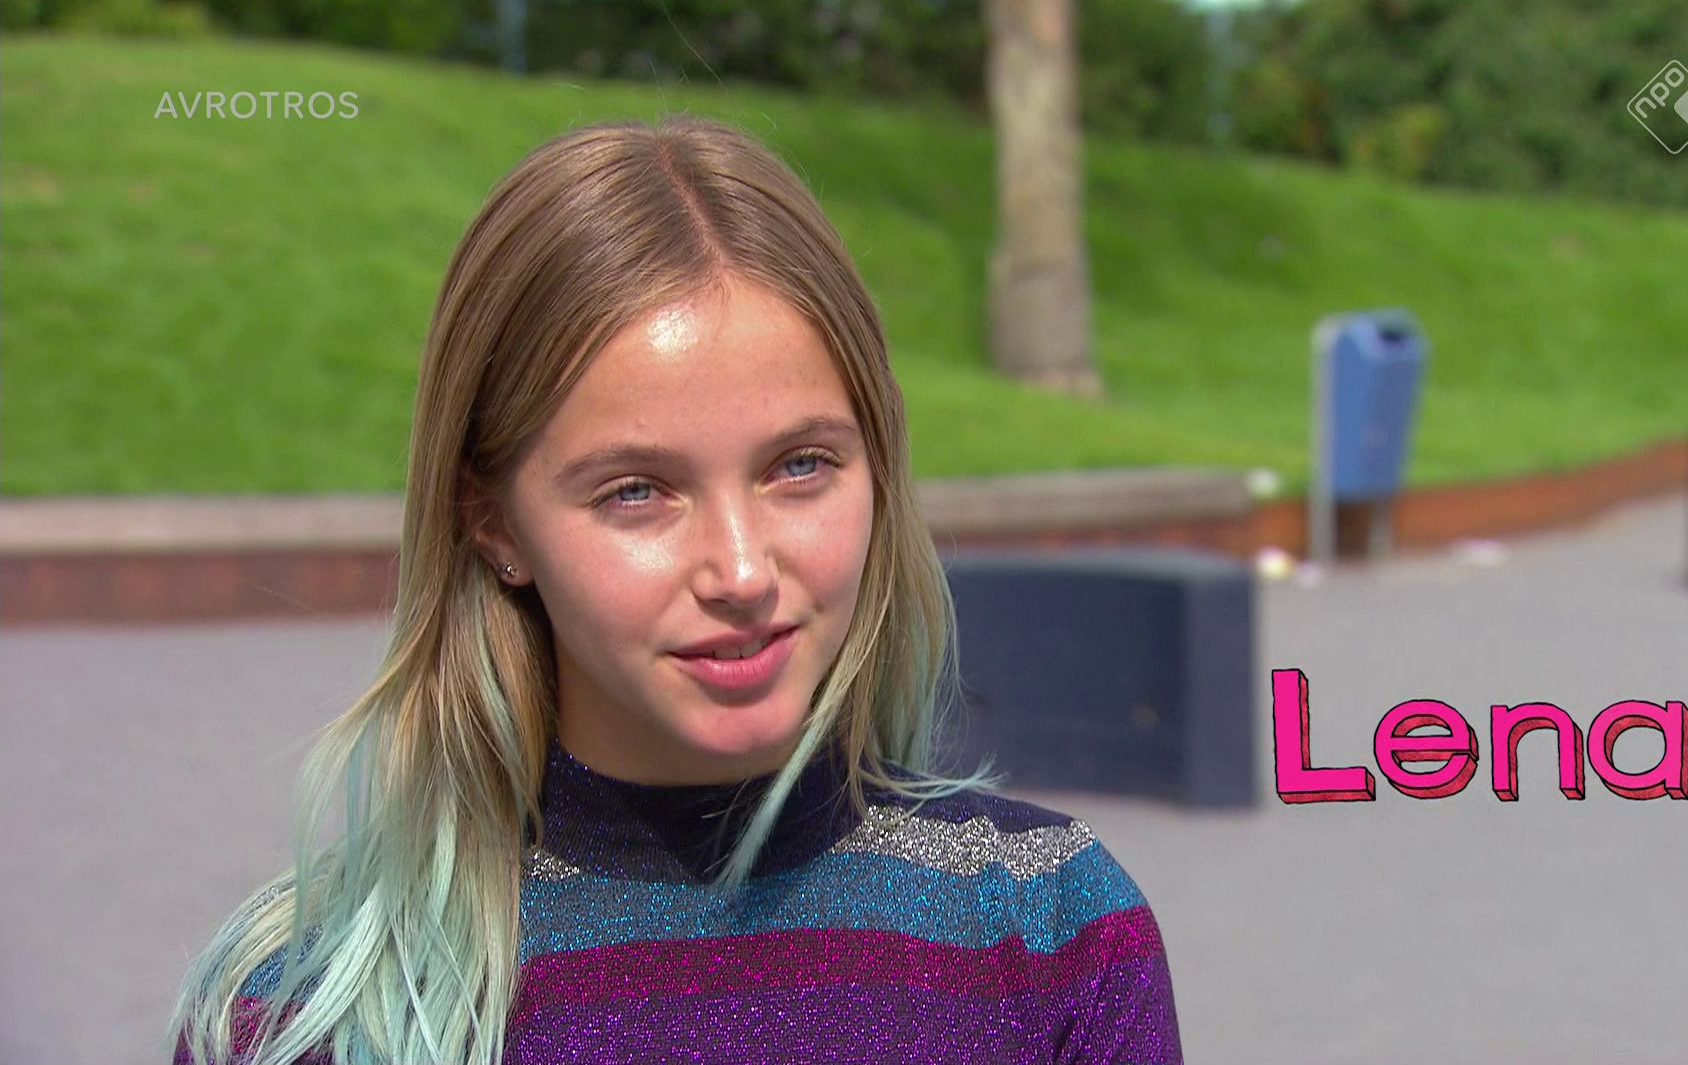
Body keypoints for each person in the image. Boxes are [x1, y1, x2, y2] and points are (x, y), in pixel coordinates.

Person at [168, 115, 1184, 1065]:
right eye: (636, 492)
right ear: (493, 521)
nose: (740, 572)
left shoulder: (1053, 933)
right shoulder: (301, 1009)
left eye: (799, 466)